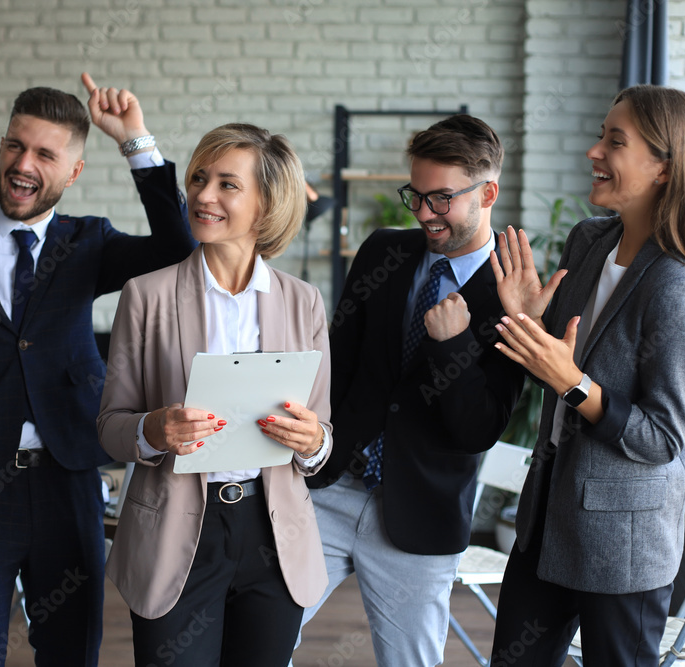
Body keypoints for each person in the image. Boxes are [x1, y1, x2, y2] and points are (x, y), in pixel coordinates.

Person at [0, 74, 195, 666]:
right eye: (16, 145)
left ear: (73, 172)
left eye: (44, 153)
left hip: (67, 481)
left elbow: (179, 248)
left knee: (71, 654)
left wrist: (135, 140)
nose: (23, 163)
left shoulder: (88, 243)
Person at [488, 85, 685, 666]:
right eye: (601, 135)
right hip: (545, 522)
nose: (594, 152)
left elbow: (662, 439)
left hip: (622, 550)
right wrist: (527, 318)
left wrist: (575, 383)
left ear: (664, 168)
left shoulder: (678, 290)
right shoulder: (589, 240)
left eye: (614, 141)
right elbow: (555, 358)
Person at [97, 123, 332, 666]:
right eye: (199, 179)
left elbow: (321, 437)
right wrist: (153, 430)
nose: (203, 195)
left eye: (228, 184)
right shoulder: (146, 296)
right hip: (178, 534)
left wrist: (313, 440)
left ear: (267, 203)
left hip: (273, 537)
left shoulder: (304, 303)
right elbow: (110, 425)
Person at [297, 114, 525, 666]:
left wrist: (451, 346)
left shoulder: (514, 296)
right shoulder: (383, 252)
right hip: (329, 489)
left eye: (441, 199)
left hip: (419, 517)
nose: (424, 213)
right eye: (415, 195)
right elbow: (338, 362)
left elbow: (478, 430)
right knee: (259, 639)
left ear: (487, 192)